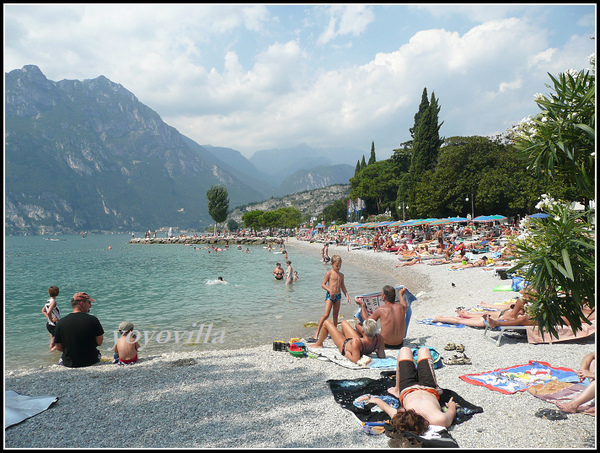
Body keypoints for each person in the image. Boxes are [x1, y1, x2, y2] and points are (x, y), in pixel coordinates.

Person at [368, 346, 459, 433]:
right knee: (424, 350)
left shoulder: (402, 418)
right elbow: (451, 411)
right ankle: (436, 387)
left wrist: (375, 400)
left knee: (404, 350)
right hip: (429, 388)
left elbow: (386, 407)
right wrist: (452, 405)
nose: (402, 409)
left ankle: (397, 389)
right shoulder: (439, 420)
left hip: (408, 388)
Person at [53, 292, 104, 368]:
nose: (91, 305)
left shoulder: (61, 323)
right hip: (91, 360)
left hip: (69, 362)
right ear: (82, 304)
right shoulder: (93, 320)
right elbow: (99, 342)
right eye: (89, 302)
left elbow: (58, 347)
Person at [310, 319, 385, 364]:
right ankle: (341, 336)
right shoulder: (379, 338)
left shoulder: (357, 342)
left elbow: (355, 360)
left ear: (362, 331)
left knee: (326, 322)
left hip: (344, 346)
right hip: (356, 343)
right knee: (344, 322)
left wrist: (348, 354)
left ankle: (319, 343)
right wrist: (376, 351)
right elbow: (382, 356)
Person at [312, 255, 350, 340]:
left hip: (338, 296)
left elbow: (343, 287)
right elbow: (323, 284)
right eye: (337, 266)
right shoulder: (329, 273)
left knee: (335, 316)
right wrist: (330, 290)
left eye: (340, 265)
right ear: (332, 264)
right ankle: (317, 333)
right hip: (330, 296)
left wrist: (347, 295)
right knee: (326, 314)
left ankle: (334, 333)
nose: (338, 267)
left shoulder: (341, 275)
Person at [41, 285, 61, 351]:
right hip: (54, 324)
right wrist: (52, 320)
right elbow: (49, 311)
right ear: (57, 293)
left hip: (49, 324)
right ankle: (49, 353)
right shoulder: (53, 302)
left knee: (52, 342)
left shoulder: (48, 301)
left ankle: (52, 356)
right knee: (61, 341)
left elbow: (43, 311)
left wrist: (49, 319)